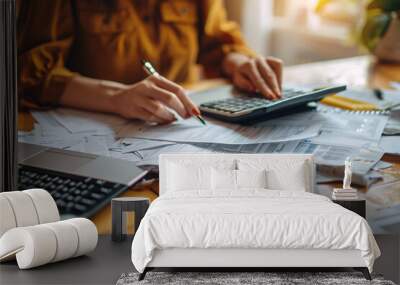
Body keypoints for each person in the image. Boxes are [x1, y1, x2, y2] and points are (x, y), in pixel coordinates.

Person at [18, 0, 283, 124]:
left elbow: (217, 42)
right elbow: (29, 73)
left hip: (174, 131)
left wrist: (238, 62)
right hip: (87, 136)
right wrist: (116, 97)